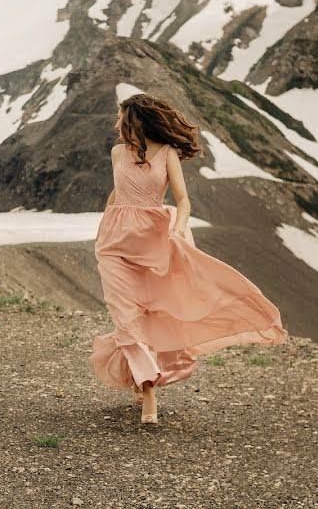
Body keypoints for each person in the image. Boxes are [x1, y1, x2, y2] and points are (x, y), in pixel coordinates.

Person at [91, 93, 288, 423]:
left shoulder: (167, 154)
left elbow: (183, 200)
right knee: (124, 315)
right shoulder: (116, 153)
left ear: (135, 120)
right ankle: (148, 388)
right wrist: (108, 217)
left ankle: (143, 377)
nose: (116, 123)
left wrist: (179, 229)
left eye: (121, 117)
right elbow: (117, 192)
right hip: (114, 241)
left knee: (149, 315)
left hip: (153, 239)